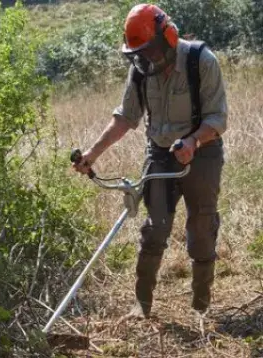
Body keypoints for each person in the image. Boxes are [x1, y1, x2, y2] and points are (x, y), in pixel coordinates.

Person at [72, 3, 227, 318]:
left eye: (152, 49)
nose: (148, 57)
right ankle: (141, 306)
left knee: (201, 227)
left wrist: (194, 140)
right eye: (140, 52)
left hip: (203, 151)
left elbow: (218, 118)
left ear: (167, 36)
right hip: (160, 154)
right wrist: (92, 154)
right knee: (154, 229)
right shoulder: (141, 70)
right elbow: (125, 118)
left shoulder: (201, 61)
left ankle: (201, 308)